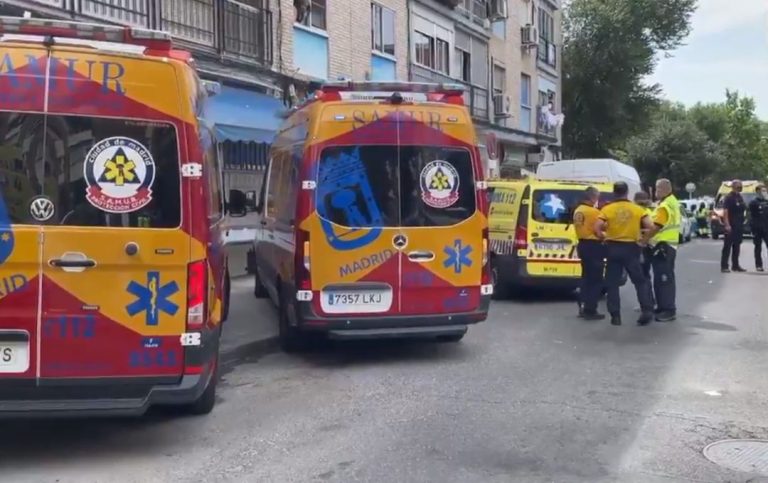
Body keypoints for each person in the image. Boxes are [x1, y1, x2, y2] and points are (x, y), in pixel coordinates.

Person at [595, 181, 656, 326]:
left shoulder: (607, 209)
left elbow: (597, 228)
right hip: (631, 248)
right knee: (639, 281)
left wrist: (603, 237)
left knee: (612, 284)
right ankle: (646, 310)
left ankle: (615, 316)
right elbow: (651, 226)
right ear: (627, 192)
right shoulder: (637, 210)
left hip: (613, 248)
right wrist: (643, 239)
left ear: (614, 192)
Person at [646, 178, 680, 322]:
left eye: (657, 189)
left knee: (664, 279)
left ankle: (668, 310)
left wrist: (643, 239)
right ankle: (662, 306)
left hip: (663, 246)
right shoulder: (669, 202)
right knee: (661, 278)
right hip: (666, 246)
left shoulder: (665, 206)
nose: (655, 191)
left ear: (664, 189)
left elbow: (656, 227)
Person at [573, 186, 605, 320]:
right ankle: (590, 309)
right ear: (592, 197)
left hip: (582, 244)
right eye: (597, 197)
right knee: (595, 279)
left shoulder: (578, 210)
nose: (598, 199)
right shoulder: (594, 212)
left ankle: (582, 306)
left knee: (585, 277)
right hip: (593, 246)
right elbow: (599, 231)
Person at [721, 180, 747, 272]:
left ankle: (735, 265)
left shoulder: (739, 197)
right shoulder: (729, 197)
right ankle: (724, 266)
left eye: (741, 185)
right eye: (739, 185)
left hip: (739, 224)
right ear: (733, 186)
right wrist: (727, 224)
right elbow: (725, 211)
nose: (740, 187)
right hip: (731, 224)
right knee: (727, 246)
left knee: (737, 245)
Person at [633, 191, 654, 280]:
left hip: (638, 244)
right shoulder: (649, 211)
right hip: (647, 244)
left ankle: (645, 291)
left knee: (640, 273)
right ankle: (647, 292)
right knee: (645, 271)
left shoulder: (636, 211)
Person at [748, 184, 768, 271]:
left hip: (766, 227)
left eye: (765, 190)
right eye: (762, 191)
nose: (764, 192)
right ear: (757, 191)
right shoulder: (753, 202)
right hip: (757, 228)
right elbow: (752, 214)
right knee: (758, 247)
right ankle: (758, 265)